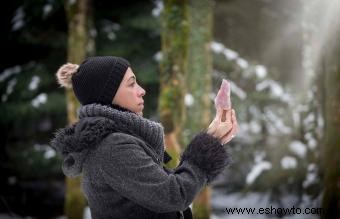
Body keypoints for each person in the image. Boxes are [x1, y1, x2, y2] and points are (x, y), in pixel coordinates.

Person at [51, 56, 238, 219]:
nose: (141, 90)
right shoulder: (113, 147)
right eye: (131, 83)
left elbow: (158, 189)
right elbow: (173, 195)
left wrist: (212, 140)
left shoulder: (116, 140)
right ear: (107, 94)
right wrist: (208, 145)